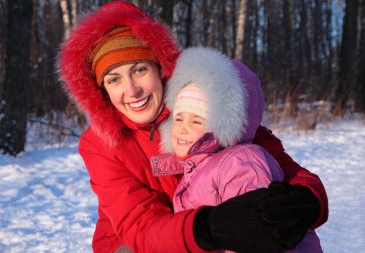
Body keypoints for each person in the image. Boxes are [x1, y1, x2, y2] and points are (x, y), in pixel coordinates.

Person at [57, 1, 328, 252]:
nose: (132, 90)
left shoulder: (197, 101)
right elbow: (140, 226)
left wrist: (306, 201)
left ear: (159, 68)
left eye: (139, 70)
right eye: (113, 79)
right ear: (102, 90)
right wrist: (210, 228)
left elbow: (284, 166)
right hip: (132, 244)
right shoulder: (100, 144)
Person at [151, 47, 323, 253]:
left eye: (196, 120)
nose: (182, 127)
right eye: (178, 118)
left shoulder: (240, 163)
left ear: (223, 125)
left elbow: (253, 235)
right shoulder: (197, 165)